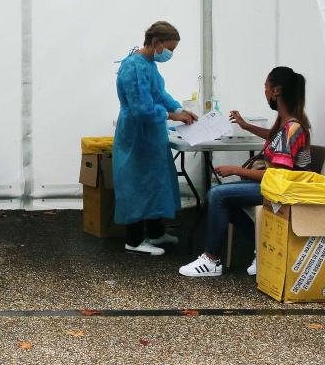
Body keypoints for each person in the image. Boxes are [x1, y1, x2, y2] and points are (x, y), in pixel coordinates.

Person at [179, 66, 312, 278]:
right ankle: (262, 247)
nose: (265, 92)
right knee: (223, 199)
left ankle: (212, 260)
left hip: (284, 190)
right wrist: (245, 125)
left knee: (217, 195)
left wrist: (235, 169)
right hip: (279, 185)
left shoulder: (291, 128)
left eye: (266, 87)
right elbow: (272, 137)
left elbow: (276, 177)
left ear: (276, 91)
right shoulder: (288, 123)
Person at [114, 21, 198, 255]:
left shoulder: (149, 64)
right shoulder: (133, 67)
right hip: (136, 133)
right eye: (170, 48)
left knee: (155, 182)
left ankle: (155, 232)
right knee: (137, 184)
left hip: (151, 134)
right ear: (155, 43)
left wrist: (180, 110)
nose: (170, 53)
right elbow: (142, 108)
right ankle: (133, 240)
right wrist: (173, 115)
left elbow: (159, 94)